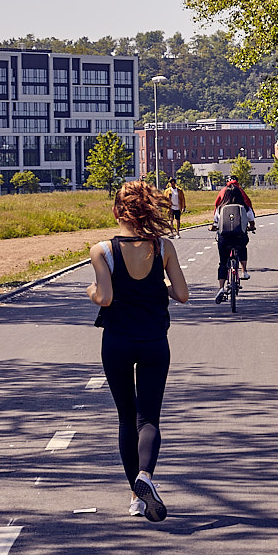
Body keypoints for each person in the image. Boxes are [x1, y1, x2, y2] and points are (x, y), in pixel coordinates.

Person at [87, 180, 189, 522]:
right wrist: (155, 282)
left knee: (125, 417)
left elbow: (106, 298)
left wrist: (90, 290)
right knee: (149, 419)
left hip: (117, 342)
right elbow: (183, 294)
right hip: (154, 343)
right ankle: (146, 476)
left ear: (117, 211)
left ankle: (135, 495)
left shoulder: (102, 250)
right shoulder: (163, 247)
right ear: (148, 211)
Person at [211, 181, 255, 302]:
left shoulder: (221, 208)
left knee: (223, 263)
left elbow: (215, 224)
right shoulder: (245, 208)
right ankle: (244, 271)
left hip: (224, 239)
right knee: (242, 247)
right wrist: (251, 227)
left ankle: (221, 288)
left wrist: (213, 227)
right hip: (240, 238)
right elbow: (252, 222)